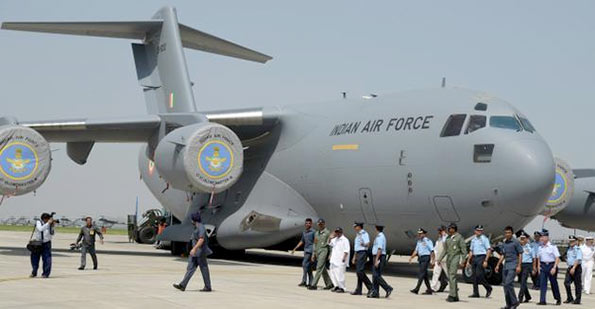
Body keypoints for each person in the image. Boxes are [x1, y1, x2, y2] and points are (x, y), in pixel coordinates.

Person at [173, 212, 212, 292]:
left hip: (200, 252)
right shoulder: (196, 227)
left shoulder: (201, 227)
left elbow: (201, 239)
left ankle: (208, 287)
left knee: (204, 269)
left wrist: (194, 248)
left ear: (194, 219)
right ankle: (182, 285)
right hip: (195, 253)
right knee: (190, 268)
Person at [437, 223, 467, 302]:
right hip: (449, 259)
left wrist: (463, 261)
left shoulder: (459, 238)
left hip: (455, 258)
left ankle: (452, 295)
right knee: (451, 277)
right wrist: (439, 259)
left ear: (454, 229)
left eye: (450, 229)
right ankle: (455, 295)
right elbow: (445, 250)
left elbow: (464, 251)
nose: (448, 230)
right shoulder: (448, 238)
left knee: (452, 276)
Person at [494, 226, 522, 309]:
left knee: (508, 283)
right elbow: (503, 255)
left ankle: (515, 302)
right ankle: (508, 304)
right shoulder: (505, 243)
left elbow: (520, 253)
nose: (507, 234)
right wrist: (498, 265)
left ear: (512, 233)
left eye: (509, 232)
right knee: (505, 285)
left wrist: (519, 266)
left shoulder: (516, 242)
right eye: (506, 233)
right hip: (506, 265)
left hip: (513, 264)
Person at [535, 229, 561, 306]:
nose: (541, 238)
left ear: (547, 237)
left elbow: (557, 258)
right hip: (543, 266)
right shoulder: (540, 247)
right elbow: (538, 258)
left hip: (551, 265)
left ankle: (558, 299)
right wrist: (538, 267)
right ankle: (542, 300)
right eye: (540, 237)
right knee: (542, 284)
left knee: (553, 283)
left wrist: (554, 267)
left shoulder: (553, 246)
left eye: (542, 236)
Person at [466, 225, 493, 298]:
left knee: (479, 275)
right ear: (475, 231)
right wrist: (468, 261)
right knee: (474, 276)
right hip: (474, 257)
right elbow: (471, 251)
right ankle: (476, 293)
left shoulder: (484, 239)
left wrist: (486, 260)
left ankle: (488, 288)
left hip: (481, 257)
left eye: (480, 230)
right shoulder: (473, 240)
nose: (479, 232)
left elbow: (489, 250)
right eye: (478, 230)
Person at [308, 218, 334, 290]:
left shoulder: (327, 233)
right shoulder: (316, 233)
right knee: (322, 269)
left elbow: (330, 244)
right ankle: (329, 284)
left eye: (321, 224)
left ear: (324, 224)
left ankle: (314, 284)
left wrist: (330, 254)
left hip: (324, 250)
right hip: (318, 251)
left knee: (319, 267)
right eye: (319, 224)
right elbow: (315, 244)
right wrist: (313, 253)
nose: (320, 225)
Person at [368, 225, 393, 298]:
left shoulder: (380, 237)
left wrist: (376, 260)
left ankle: (388, 288)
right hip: (377, 256)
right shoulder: (379, 236)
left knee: (376, 276)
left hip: (379, 256)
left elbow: (380, 249)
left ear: (376, 229)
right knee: (375, 275)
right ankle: (376, 292)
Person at [409, 228, 434, 295]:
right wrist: (411, 258)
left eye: (420, 234)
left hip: (426, 258)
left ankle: (417, 289)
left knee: (421, 274)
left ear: (424, 234)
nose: (419, 235)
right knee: (425, 275)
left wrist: (432, 260)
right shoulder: (419, 241)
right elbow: (416, 251)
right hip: (420, 258)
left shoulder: (428, 241)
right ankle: (429, 290)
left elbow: (432, 250)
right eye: (419, 234)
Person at [30, 212, 55, 278]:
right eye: (47, 219)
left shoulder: (49, 224)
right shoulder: (39, 222)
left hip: (47, 243)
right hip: (38, 243)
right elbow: (41, 229)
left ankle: (45, 274)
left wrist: (52, 226)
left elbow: (52, 233)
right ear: (44, 219)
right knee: (34, 259)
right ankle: (34, 272)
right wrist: (48, 223)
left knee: (47, 259)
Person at [291, 218, 315, 287]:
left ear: (311, 224)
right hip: (306, 250)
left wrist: (314, 253)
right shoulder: (304, 232)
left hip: (310, 251)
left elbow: (315, 243)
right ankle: (311, 282)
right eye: (307, 223)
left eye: (309, 223)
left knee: (304, 264)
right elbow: (302, 241)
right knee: (308, 267)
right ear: (305, 224)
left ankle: (304, 281)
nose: (308, 224)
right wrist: (295, 248)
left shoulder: (313, 232)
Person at [351, 222, 373, 296]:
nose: (354, 228)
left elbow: (368, 243)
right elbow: (356, 247)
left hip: (363, 253)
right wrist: (354, 257)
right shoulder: (358, 234)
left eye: (355, 226)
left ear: (359, 227)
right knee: (358, 272)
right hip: (358, 253)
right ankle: (358, 289)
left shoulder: (364, 233)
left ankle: (371, 287)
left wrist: (363, 244)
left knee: (360, 271)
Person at [328, 227, 350, 293]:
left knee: (340, 274)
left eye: (338, 232)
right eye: (336, 232)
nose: (337, 233)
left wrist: (344, 258)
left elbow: (347, 250)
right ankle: (336, 286)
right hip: (334, 259)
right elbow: (329, 243)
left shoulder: (345, 240)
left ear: (341, 232)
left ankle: (342, 288)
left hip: (340, 260)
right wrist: (330, 237)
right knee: (332, 273)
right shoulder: (335, 239)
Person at [563, 235, 582, 304]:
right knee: (566, 283)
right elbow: (567, 257)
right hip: (570, 267)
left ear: (576, 242)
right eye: (570, 241)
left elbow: (578, 259)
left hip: (576, 268)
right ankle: (570, 298)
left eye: (573, 241)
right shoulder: (569, 249)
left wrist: (574, 268)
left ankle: (577, 300)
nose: (571, 242)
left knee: (577, 284)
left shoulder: (577, 249)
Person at [430, 225, 449, 293]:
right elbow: (435, 249)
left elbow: (445, 245)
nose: (439, 232)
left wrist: (444, 235)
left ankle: (454, 287)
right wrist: (433, 259)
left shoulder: (447, 238)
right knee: (436, 273)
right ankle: (432, 287)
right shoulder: (439, 239)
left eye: (440, 231)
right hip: (438, 260)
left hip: (445, 259)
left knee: (448, 274)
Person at [517, 232, 534, 303]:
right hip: (520, 265)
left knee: (523, 281)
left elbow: (533, 258)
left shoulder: (529, 247)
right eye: (521, 239)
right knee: (521, 282)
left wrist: (533, 268)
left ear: (526, 239)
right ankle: (528, 296)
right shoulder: (518, 247)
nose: (522, 240)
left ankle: (520, 297)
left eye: (523, 239)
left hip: (527, 265)